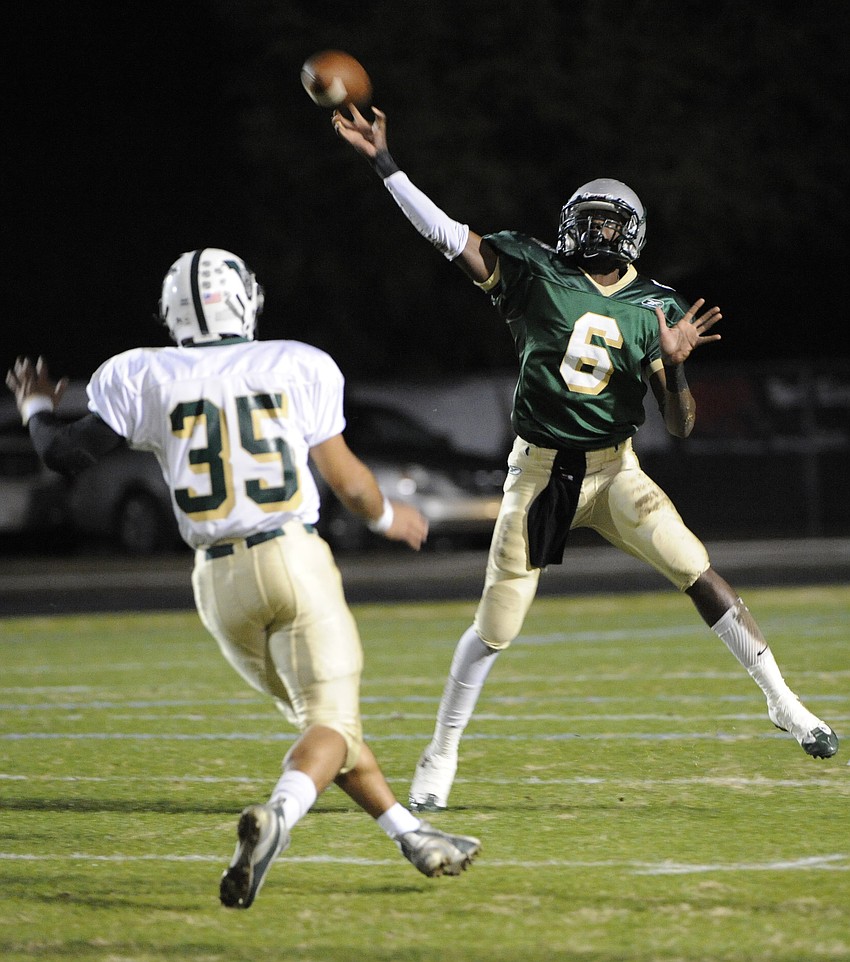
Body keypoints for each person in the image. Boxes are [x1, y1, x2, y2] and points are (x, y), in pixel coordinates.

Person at [332, 106, 839, 813]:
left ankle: (784, 702)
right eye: (588, 218)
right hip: (542, 473)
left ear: (628, 230)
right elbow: (446, 235)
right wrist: (386, 164)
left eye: (608, 221)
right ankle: (440, 752)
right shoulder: (535, 270)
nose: (596, 231)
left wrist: (674, 367)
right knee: (496, 627)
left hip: (617, 469)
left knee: (698, 570)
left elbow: (682, 425)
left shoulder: (654, 306)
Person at [5, 247, 481, 906]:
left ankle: (411, 836)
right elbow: (345, 478)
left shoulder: (141, 372)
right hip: (290, 558)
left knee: (328, 730)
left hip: (216, 587)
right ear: (247, 300)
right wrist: (385, 518)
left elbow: (64, 453)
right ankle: (277, 819)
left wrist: (33, 406)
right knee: (331, 728)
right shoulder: (297, 363)